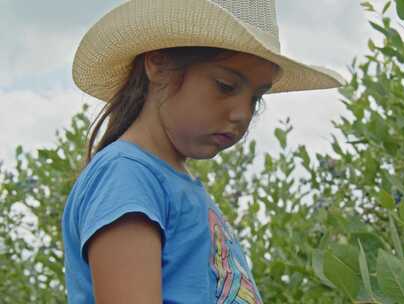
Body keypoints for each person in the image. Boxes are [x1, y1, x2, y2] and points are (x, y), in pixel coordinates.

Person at [61, 0, 345, 303]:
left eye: (256, 99)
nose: (242, 114)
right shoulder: (127, 176)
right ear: (158, 63)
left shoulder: (171, 182)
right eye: (225, 86)